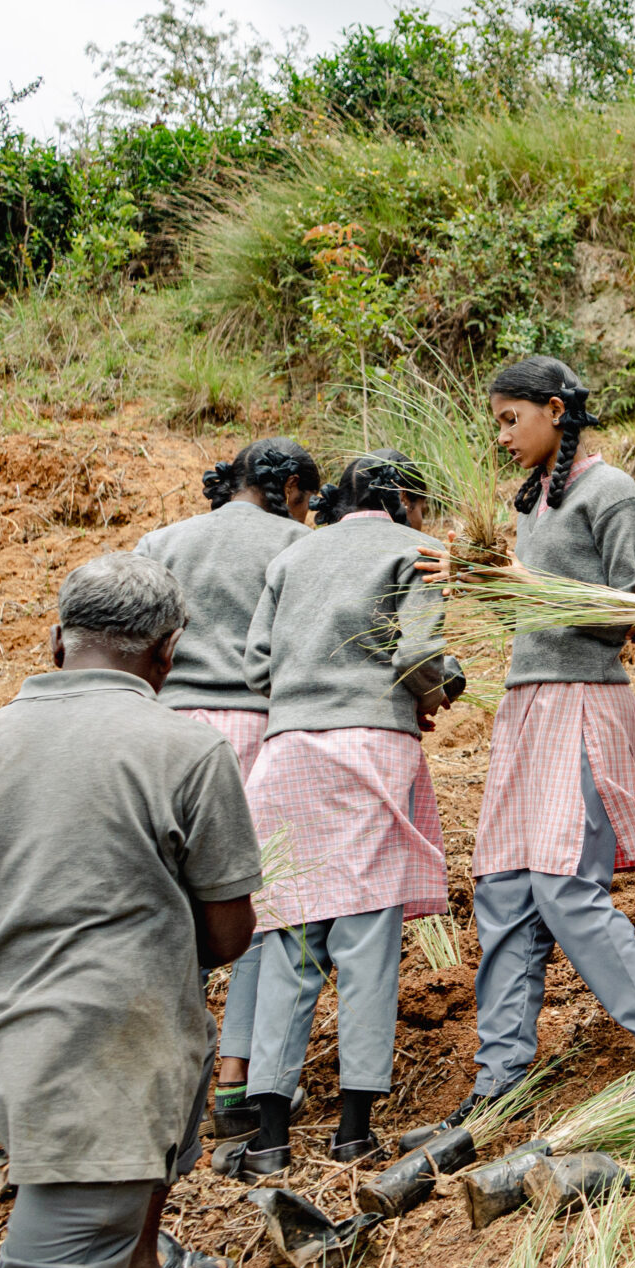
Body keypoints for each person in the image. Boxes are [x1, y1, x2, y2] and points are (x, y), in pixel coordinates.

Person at [0, 554, 260, 1268]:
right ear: (168, 653)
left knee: (130, 1153)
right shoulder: (184, 748)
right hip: (101, 1047)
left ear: (56, 638)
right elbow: (228, 934)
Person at [418, 357, 635, 1137]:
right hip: (524, 705)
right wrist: (489, 580)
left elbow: (626, 615)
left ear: (554, 409)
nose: (502, 435)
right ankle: (501, 1075)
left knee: (566, 885)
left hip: (583, 703)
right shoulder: (533, 502)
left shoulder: (612, 494)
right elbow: (537, 605)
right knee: (506, 887)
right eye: (496, 422)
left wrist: (522, 585)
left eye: (512, 419)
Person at [225, 453, 462, 1176]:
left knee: (291, 939)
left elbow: (256, 666)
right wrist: (443, 690)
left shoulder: (297, 553)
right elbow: (422, 655)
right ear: (405, 501)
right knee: (365, 941)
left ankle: (268, 1138)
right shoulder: (415, 551)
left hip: (288, 752)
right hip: (370, 749)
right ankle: (353, 1132)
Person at [134, 436, 320, 1138]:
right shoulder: (297, 546)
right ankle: (235, 1083)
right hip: (257, 731)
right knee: (253, 901)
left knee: (165, 903)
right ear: (294, 487)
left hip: (163, 731)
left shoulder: (165, 540)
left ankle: (161, 1079)